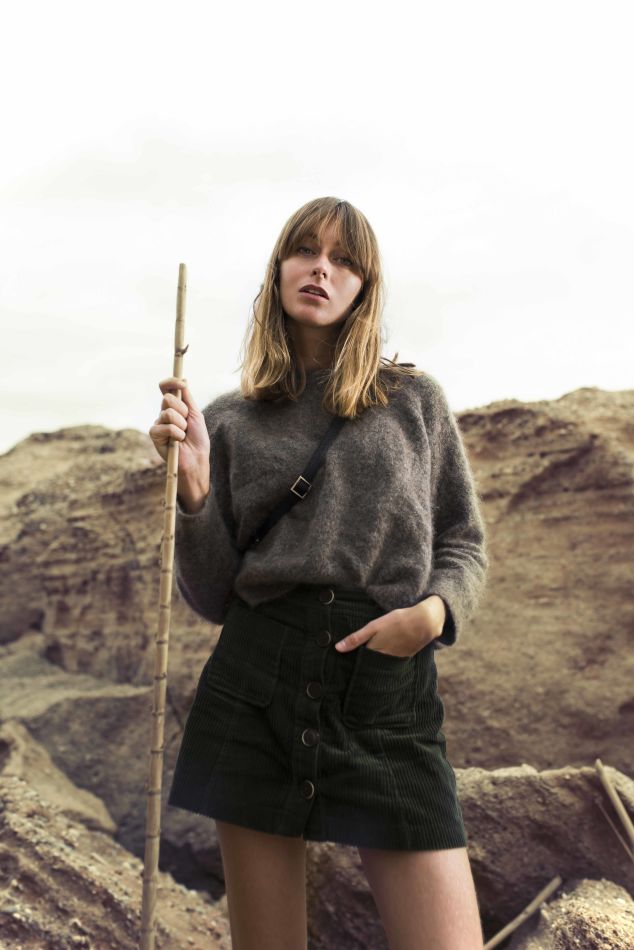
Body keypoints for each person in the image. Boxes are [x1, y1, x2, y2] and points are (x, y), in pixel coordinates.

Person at [149, 196, 488, 950]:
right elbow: (214, 596)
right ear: (279, 271)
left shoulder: (414, 403)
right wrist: (194, 494)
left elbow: (463, 541)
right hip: (257, 681)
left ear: (364, 286)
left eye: (344, 259)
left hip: (385, 690)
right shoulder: (227, 421)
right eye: (305, 251)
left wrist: (432, 616)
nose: (321, 269)